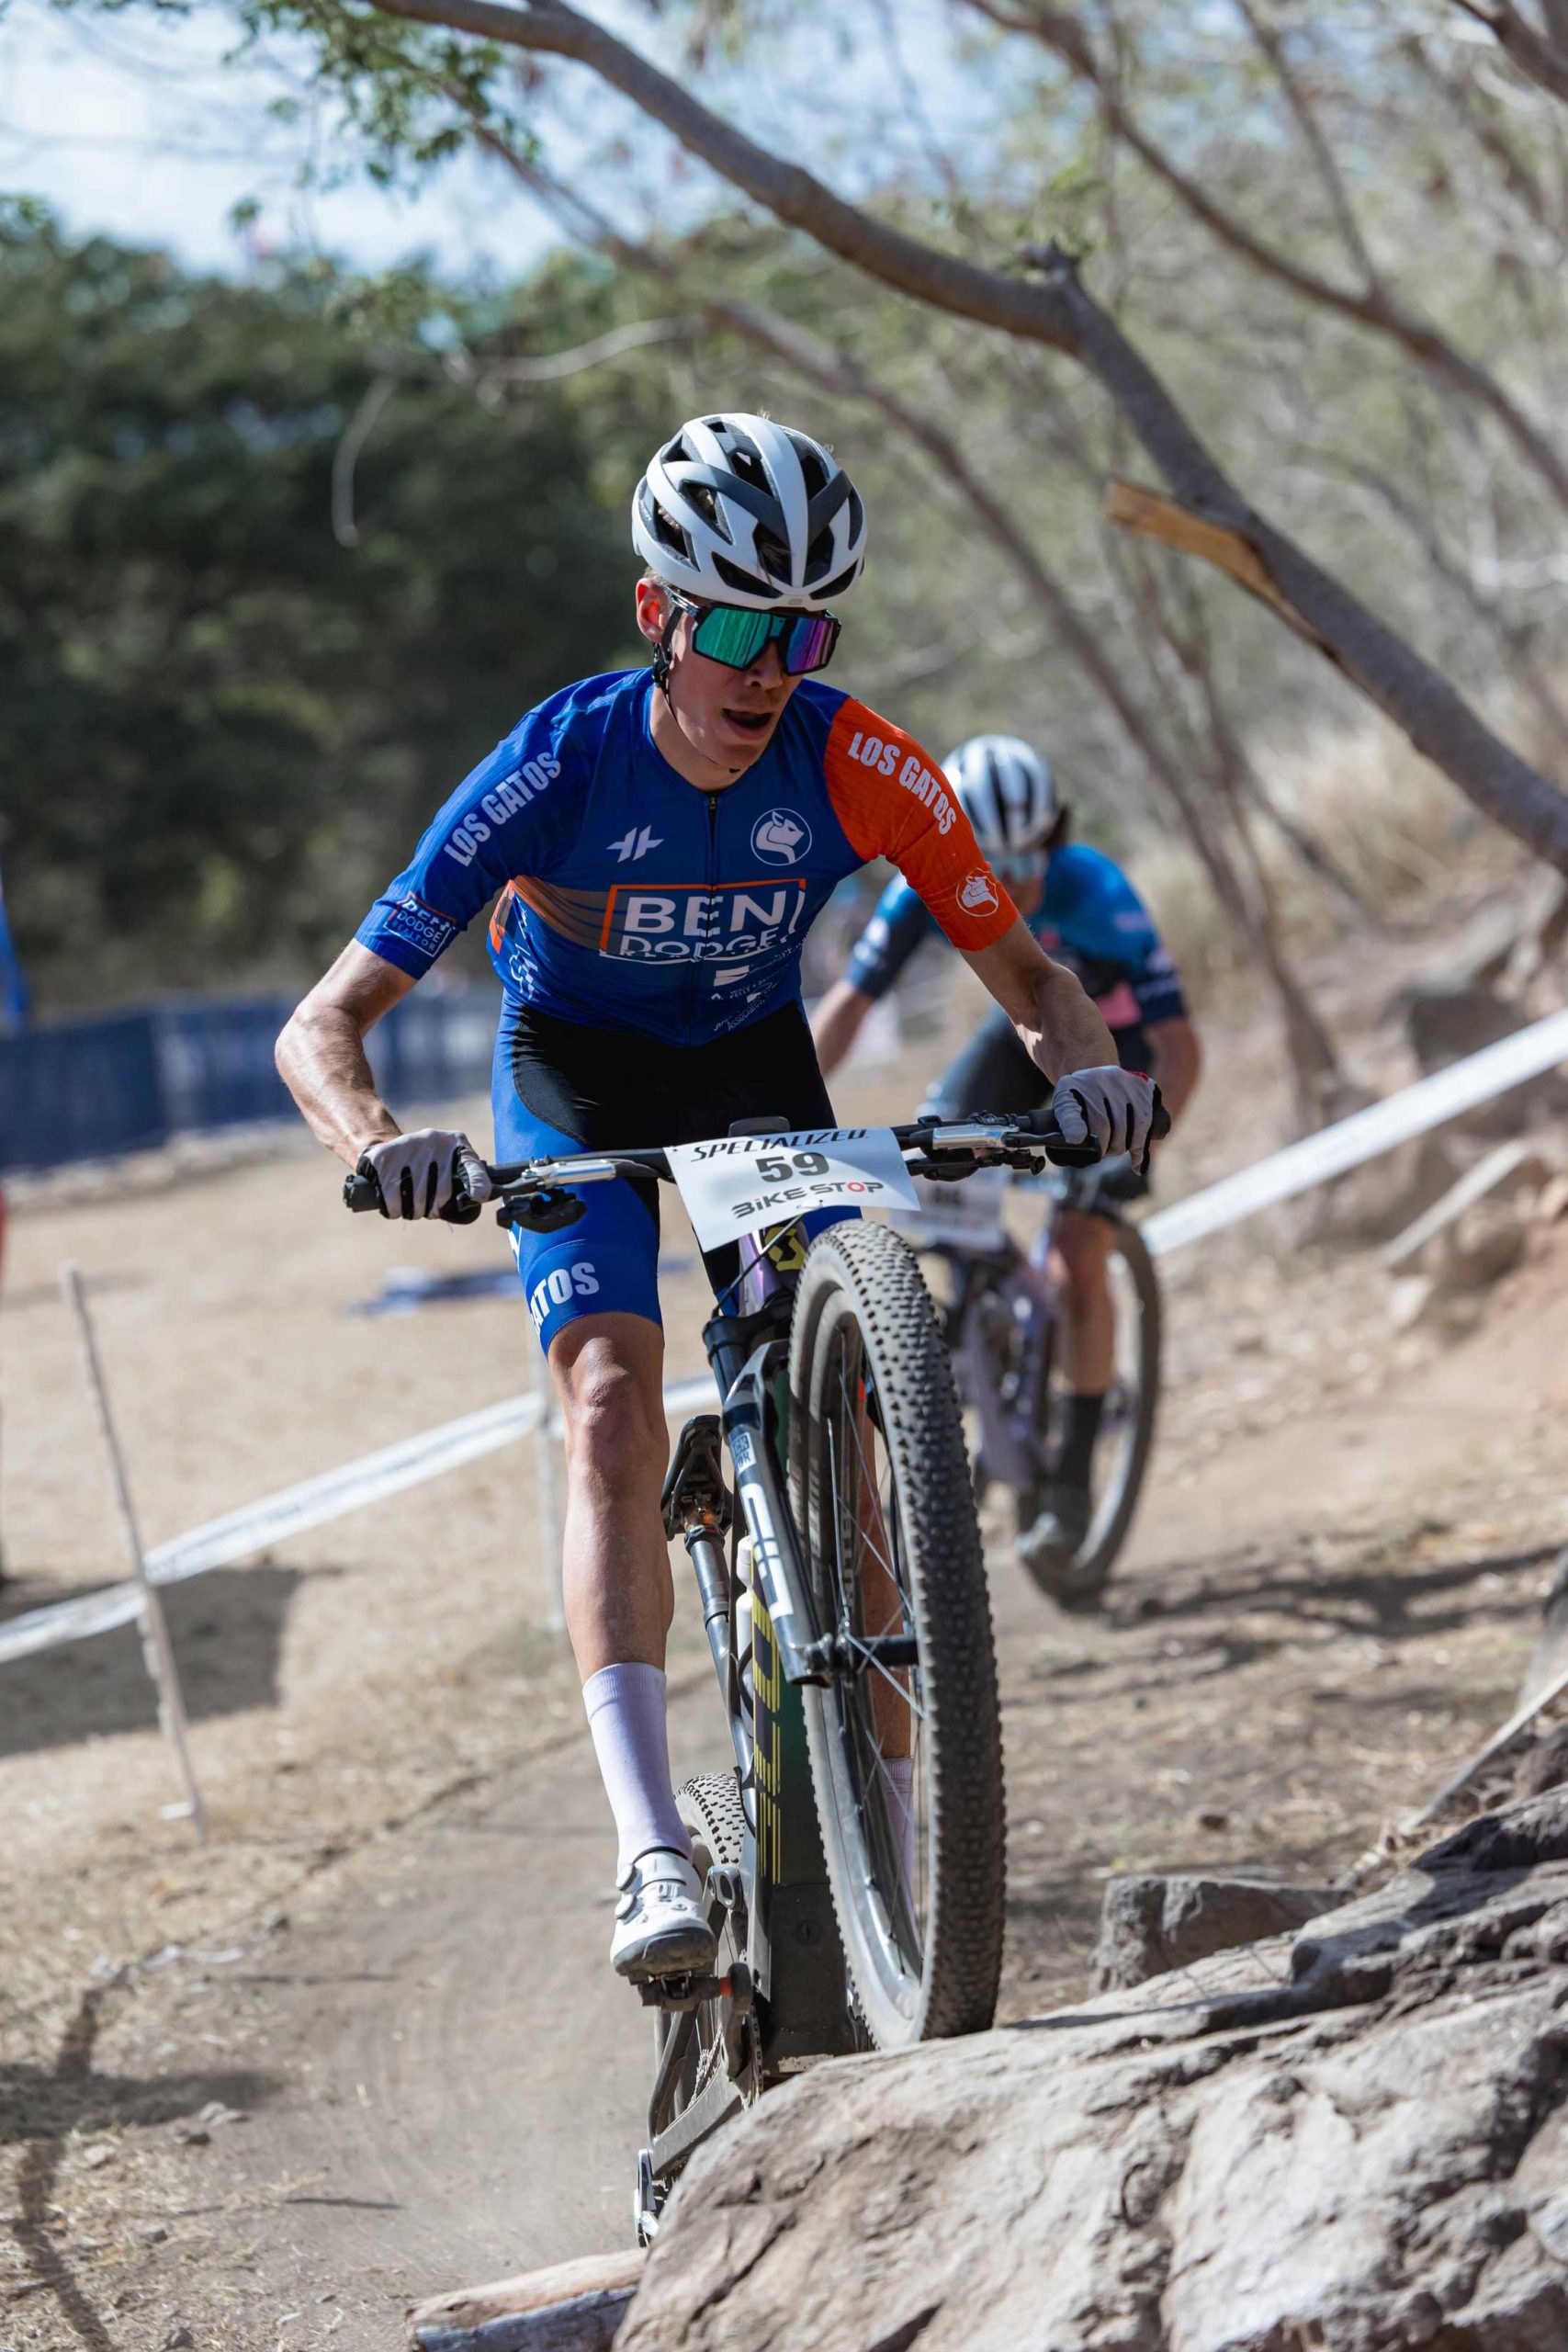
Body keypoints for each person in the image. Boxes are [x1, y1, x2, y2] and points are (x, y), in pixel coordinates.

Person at [276, 414, 1158, 1985]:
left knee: (860, 1415)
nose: (771, 666)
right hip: (576, 1078)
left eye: (805, 628)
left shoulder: (855, 757)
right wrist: (375, 1140)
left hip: (751, 1073)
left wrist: (1084, 1070)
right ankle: (646, 1855)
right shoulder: (557, 762)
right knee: (610, 1405)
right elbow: (321, 1022)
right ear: (657, 616)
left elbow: (1030, 977)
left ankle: (894, 1845)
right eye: (741, 626)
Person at [814, 734, 1201, 1574]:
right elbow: (849, 1005)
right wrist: (783, 1103)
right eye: (994, 862)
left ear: (1052, 839)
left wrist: (1135, 1142)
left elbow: (1179, 1046)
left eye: (1030, 857)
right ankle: (984, 1318)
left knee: (1076, 1246)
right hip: (1018, 1038)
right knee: (938, 1139)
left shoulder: (1095, 889)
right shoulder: (924, 879)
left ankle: (1068, 1480)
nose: (1017, 880)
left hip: (1114, 1049)